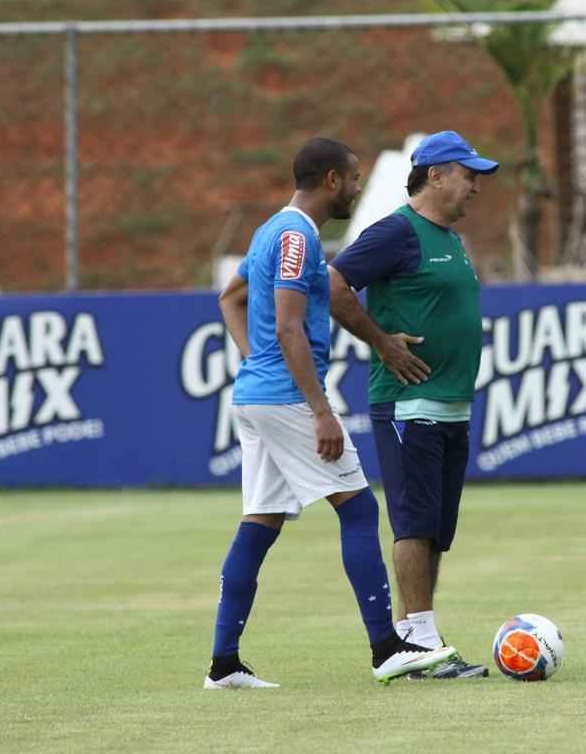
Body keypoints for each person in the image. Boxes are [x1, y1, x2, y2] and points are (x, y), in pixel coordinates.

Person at [204, 138, 455, 689]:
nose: (361, 186)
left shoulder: (273, 229)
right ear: (332, 181)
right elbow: (290, 326)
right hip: (287, 398)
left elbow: (230, 297)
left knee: (261, 521)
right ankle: (387, 649)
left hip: (258, 395)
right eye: (357, 177)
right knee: (360, 510)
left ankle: (223, 665)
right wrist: (320, 410)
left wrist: (255, 360)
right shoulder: (295, 237)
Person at [328, 130, 499, 679]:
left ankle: (414, 640)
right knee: (413, 525)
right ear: (435, 175)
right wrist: (381, 342)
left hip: (450, 406)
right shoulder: (397, 233)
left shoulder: (449, 238)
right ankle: (421, 638)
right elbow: (332, 282)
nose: (476, 186)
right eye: (468, 175)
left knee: (436, 530)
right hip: (408, 405)